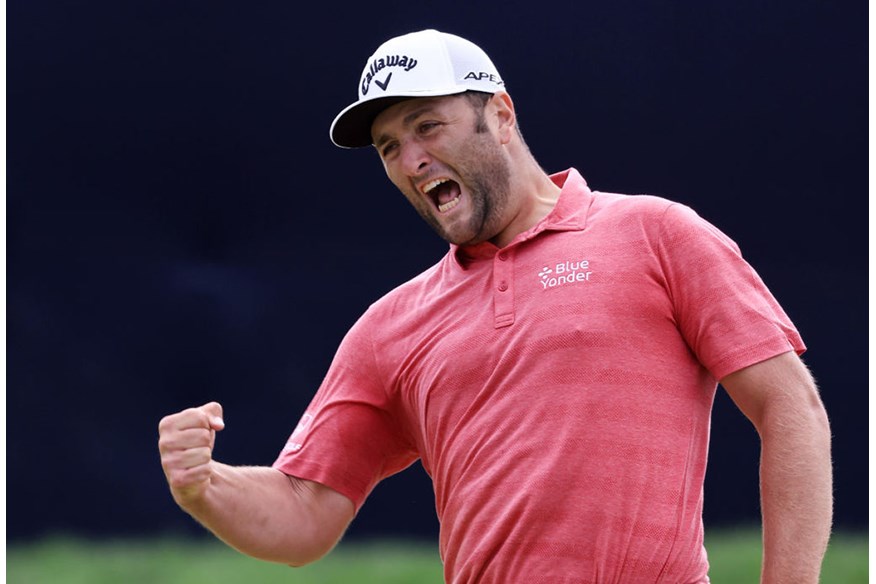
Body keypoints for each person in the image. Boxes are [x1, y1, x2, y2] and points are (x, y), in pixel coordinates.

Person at [158, 29, 833, 583]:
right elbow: (304, 516)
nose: (413, 160)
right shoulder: (391, 328)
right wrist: (204, 487)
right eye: (391, 147)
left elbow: (789, 407)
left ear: (501, 115)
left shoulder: (658, 235)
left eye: (429, 126)